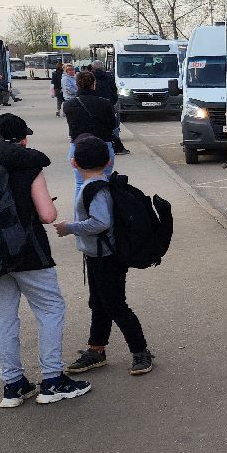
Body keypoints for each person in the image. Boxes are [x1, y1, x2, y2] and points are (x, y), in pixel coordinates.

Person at [0, 113, 90, 407]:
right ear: (23, 140)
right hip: (30, 253)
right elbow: (47, 215)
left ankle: (13, 385)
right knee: (50, 309)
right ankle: (52, 380)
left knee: (2, 317)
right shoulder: (29, 167)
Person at [55, 135, 155, 377]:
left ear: (73, 162)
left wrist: (69, 228)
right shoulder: (102, 184)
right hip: (98, 255)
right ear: (109, 160)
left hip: (106, 257)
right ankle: (96, 349)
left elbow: (100, 222)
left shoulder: (93, 189)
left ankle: (141, 351)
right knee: (99, 303)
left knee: (116, 305)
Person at [64, 71, 118, 197]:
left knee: (79, 183)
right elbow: (113, 125)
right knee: (105, 181)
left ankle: (80, 209)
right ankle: (103, 207)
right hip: (103, 145)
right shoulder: (105, 103)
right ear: (94, 84)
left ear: (77, 84)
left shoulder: (68, 105)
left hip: (78, 146)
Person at [91, 61, 127, 154]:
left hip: (94, 104)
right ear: (103, 67)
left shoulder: (90, 77)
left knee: (96, 124)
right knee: (112, 125)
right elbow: (114, 91)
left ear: (93, 68)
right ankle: (115, 145)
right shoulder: (109, 77)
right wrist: (112, 101)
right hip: (108, 104)